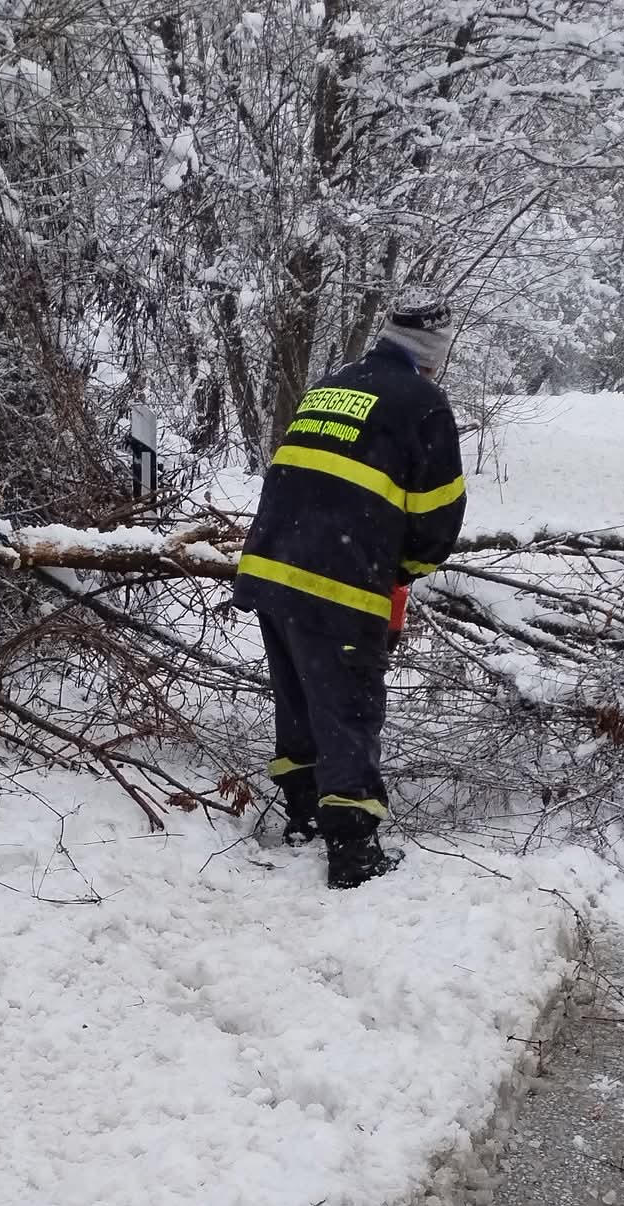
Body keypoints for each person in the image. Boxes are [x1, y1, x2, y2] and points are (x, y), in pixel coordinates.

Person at [232, 303, 467, 889]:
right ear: (434, 355)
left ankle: (303, 818)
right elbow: (438, 515)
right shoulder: (423, 404)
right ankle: (353, 852)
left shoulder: (332, 385)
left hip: (271, 567)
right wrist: (403, 571)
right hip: (336, 579)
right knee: (347, 709)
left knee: (299, 699)